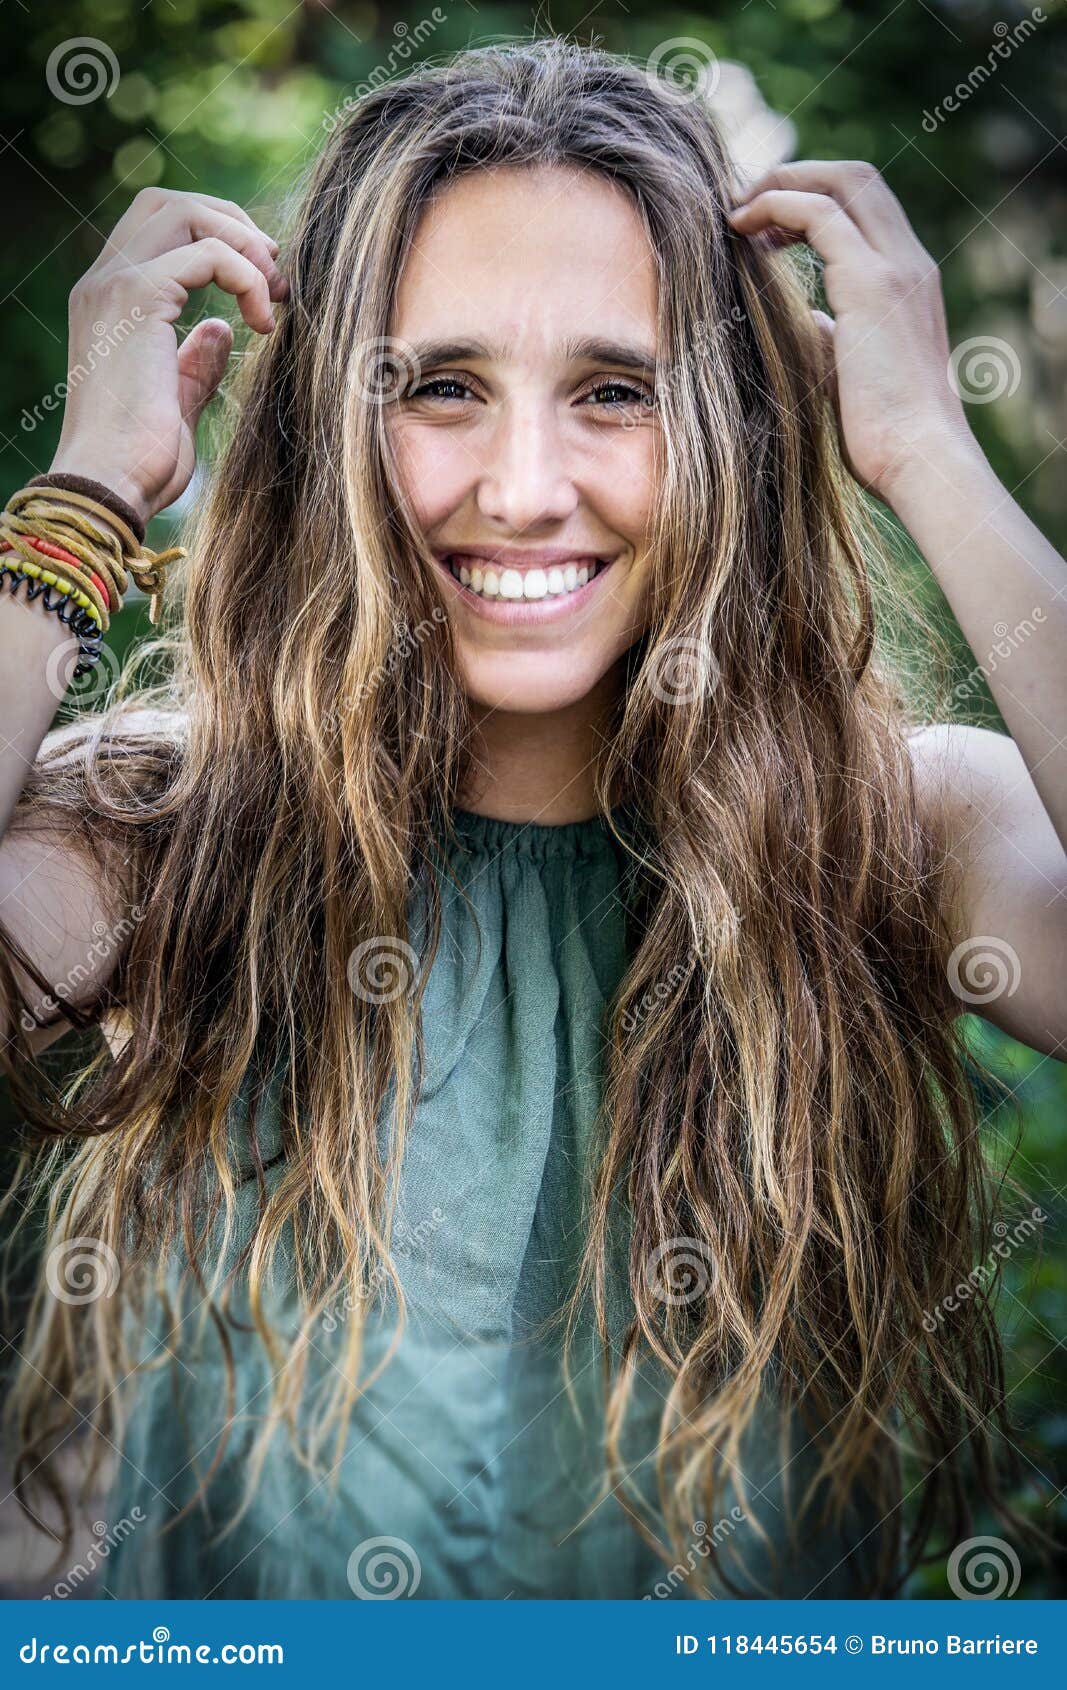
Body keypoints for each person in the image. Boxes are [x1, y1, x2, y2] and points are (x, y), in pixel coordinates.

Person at [1, 37, 1064, 1601]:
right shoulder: (162, 826)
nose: (520, 486)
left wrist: (926, 450)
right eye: (441, 386)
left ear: (734, 421)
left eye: (614, 391)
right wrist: (88, 491)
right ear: (329, 421)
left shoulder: (896, 826)